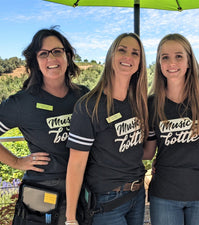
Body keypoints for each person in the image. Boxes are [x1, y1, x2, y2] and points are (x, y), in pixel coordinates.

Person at [0, 27, 89, 225]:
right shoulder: (22, 103)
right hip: (40, 195)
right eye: (43, 54)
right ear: (35, 61)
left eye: (57, 51)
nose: (51, 58)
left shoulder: (83, 96)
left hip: (80, 192)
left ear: (68, 55)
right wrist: (16, 162)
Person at [65, 33, 148, 225]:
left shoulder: (138, 102)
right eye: (122, 50)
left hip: (137, 196)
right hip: (106, 201)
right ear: (111, 55)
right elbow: (76, 165)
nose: (128, 57)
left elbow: (142, 150)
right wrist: (70, 218)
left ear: (140, 63)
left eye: (135, 53)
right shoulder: (89, 106)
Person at [143, 33, 199, 225]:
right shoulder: (152, 103)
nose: (171, 62)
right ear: (159, 63)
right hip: (164, 193)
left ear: (189, 61)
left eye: (178, 56)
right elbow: (149, 151)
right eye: (164, 57)